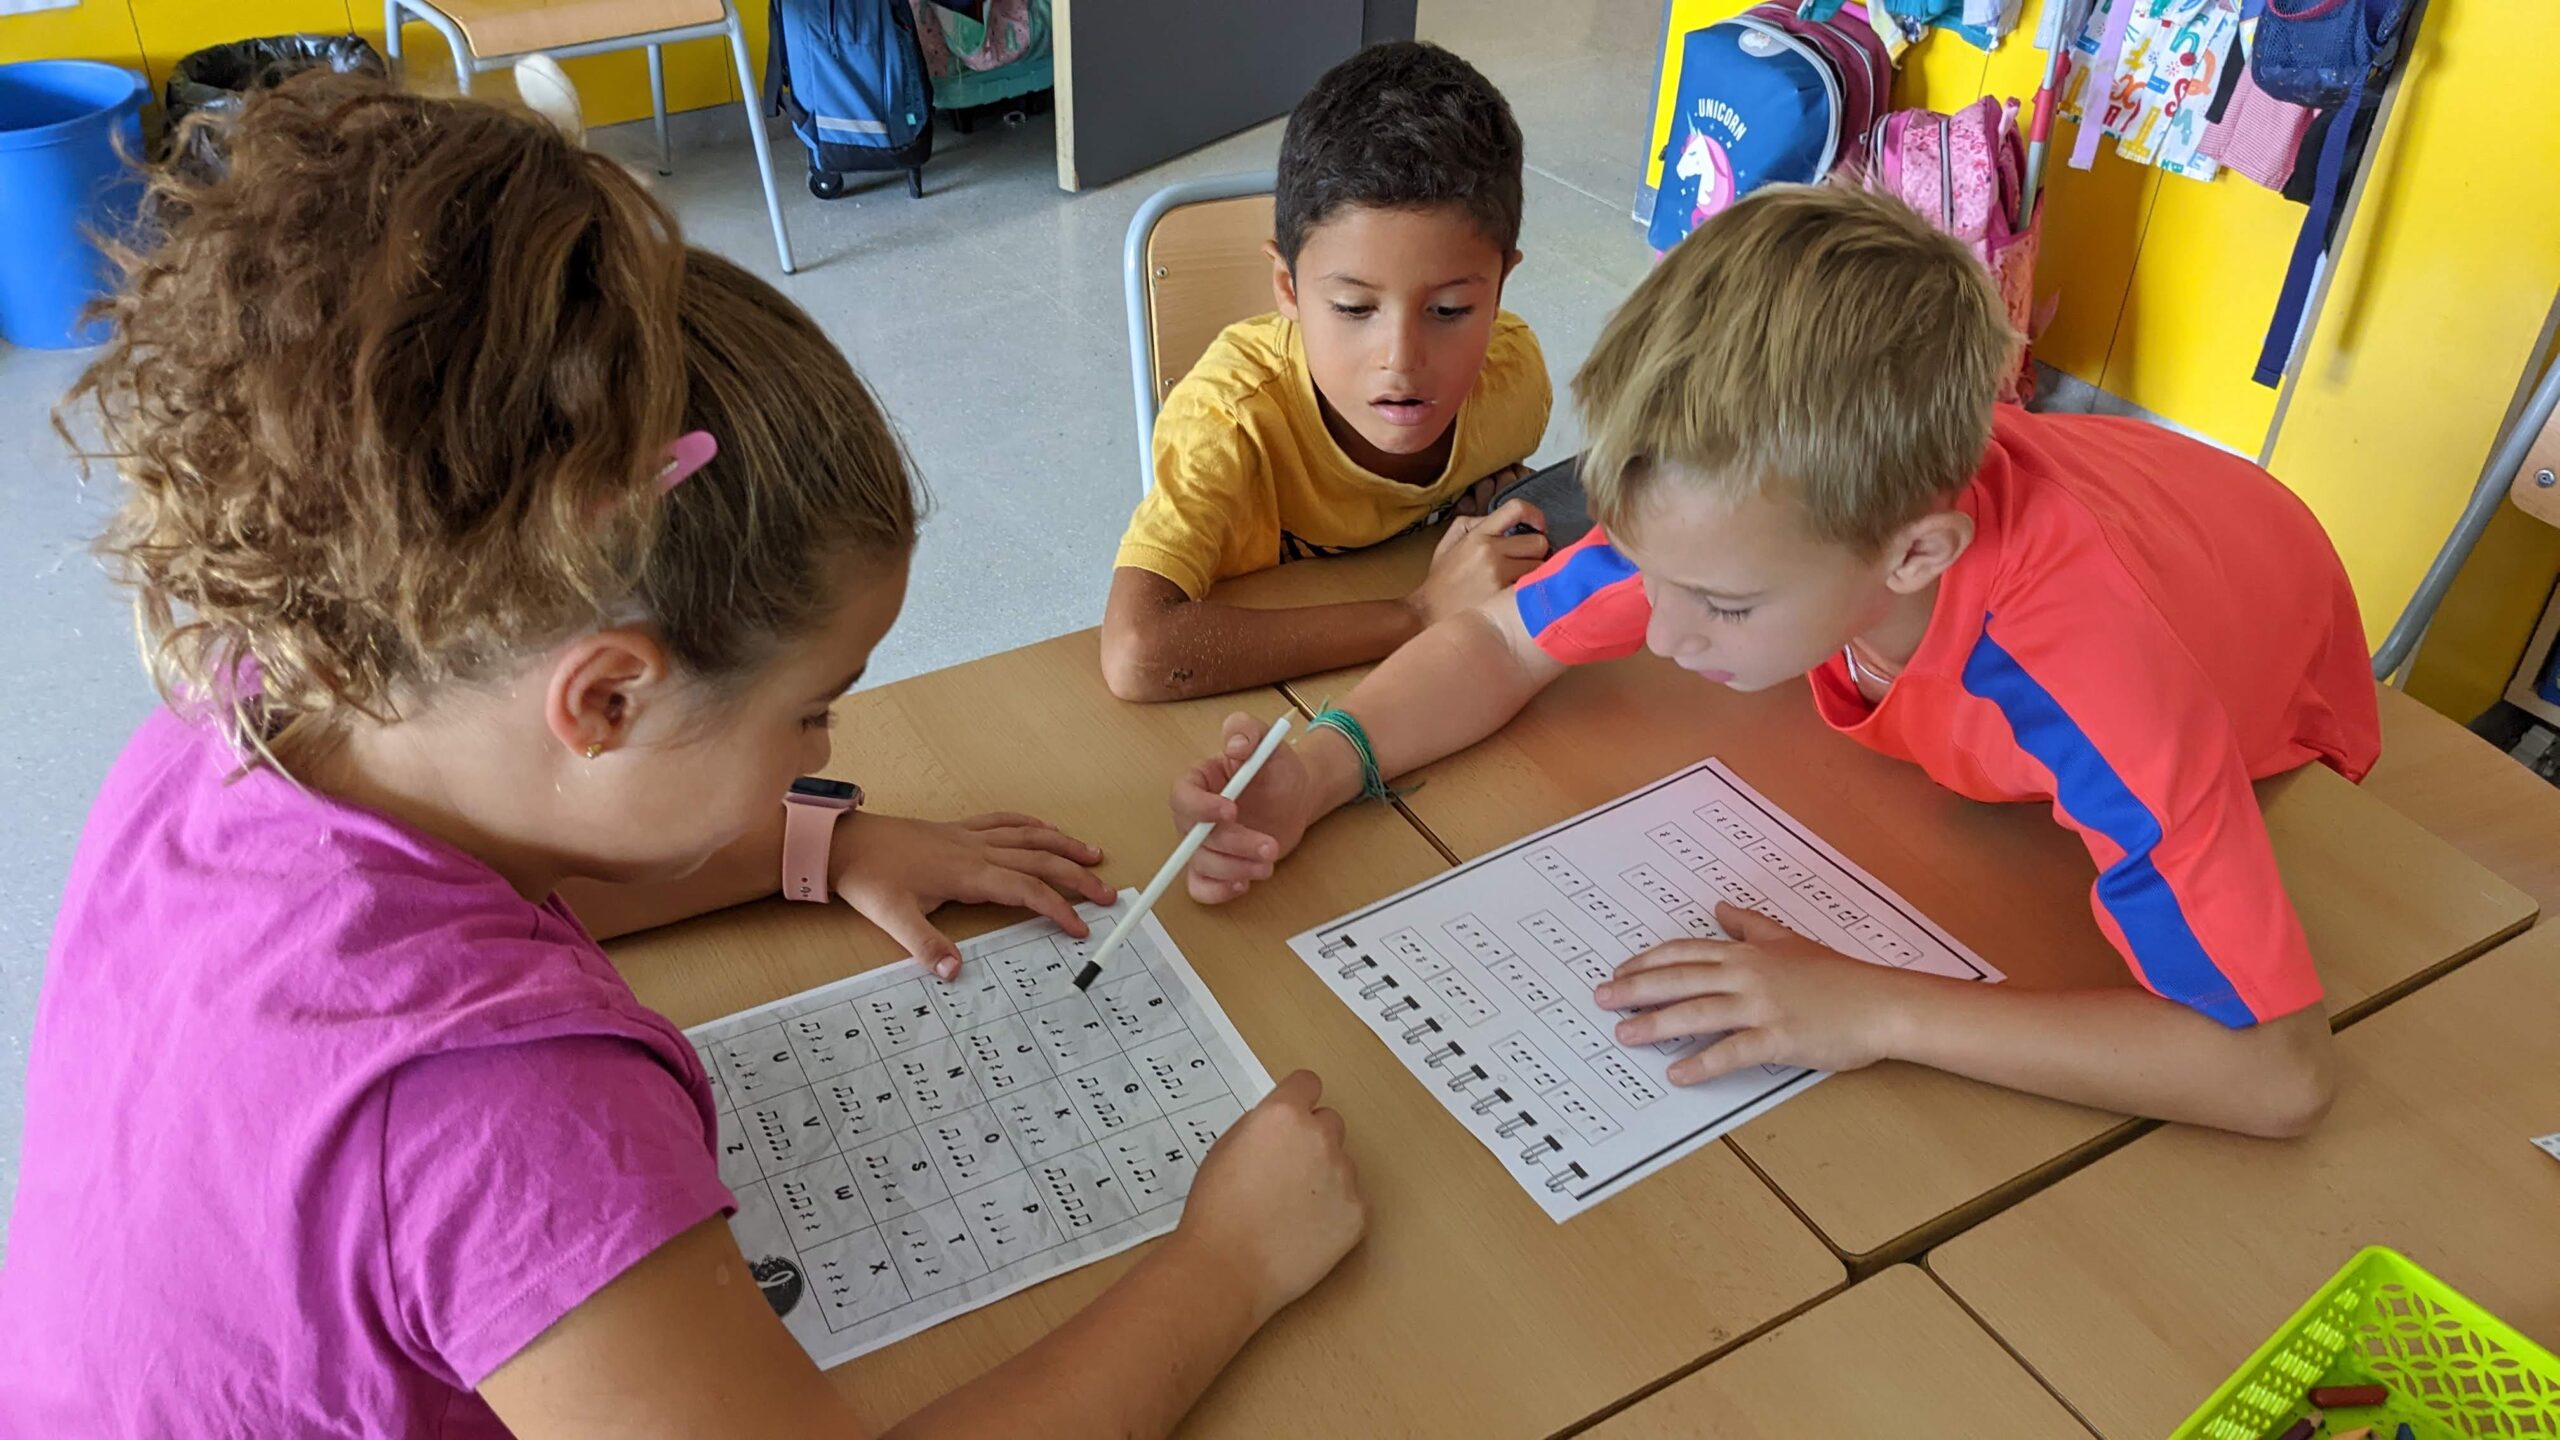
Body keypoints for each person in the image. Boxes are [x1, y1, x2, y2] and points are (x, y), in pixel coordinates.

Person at [1, 77, 1363, 1438]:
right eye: (814, 712)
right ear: (604, 700)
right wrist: (1226, 1265)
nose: (827, 749)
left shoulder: (259, 704)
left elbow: (441, 900)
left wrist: (819, 843)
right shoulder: (507, 1119)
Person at [1163, 184, 2380, 1138]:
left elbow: (2275, 1069)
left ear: (1915, 554)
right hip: (2137, 532)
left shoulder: (2091, 676)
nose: (1662, 634)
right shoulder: (1736, 507)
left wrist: (1880, 1007)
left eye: (1723, 608)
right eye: (1653, 573)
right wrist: (1316, 770)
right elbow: (1502, 637)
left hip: (2264, 665)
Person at [1100, 40, 1554, 702]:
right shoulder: (1229, 424)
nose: (1401, 359)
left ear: (1500, 288)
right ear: (1287, 286)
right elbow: (1138, 654)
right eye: (1353, 308)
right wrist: (1417, 614)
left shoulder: (1511, 377)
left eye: (1450, 310)